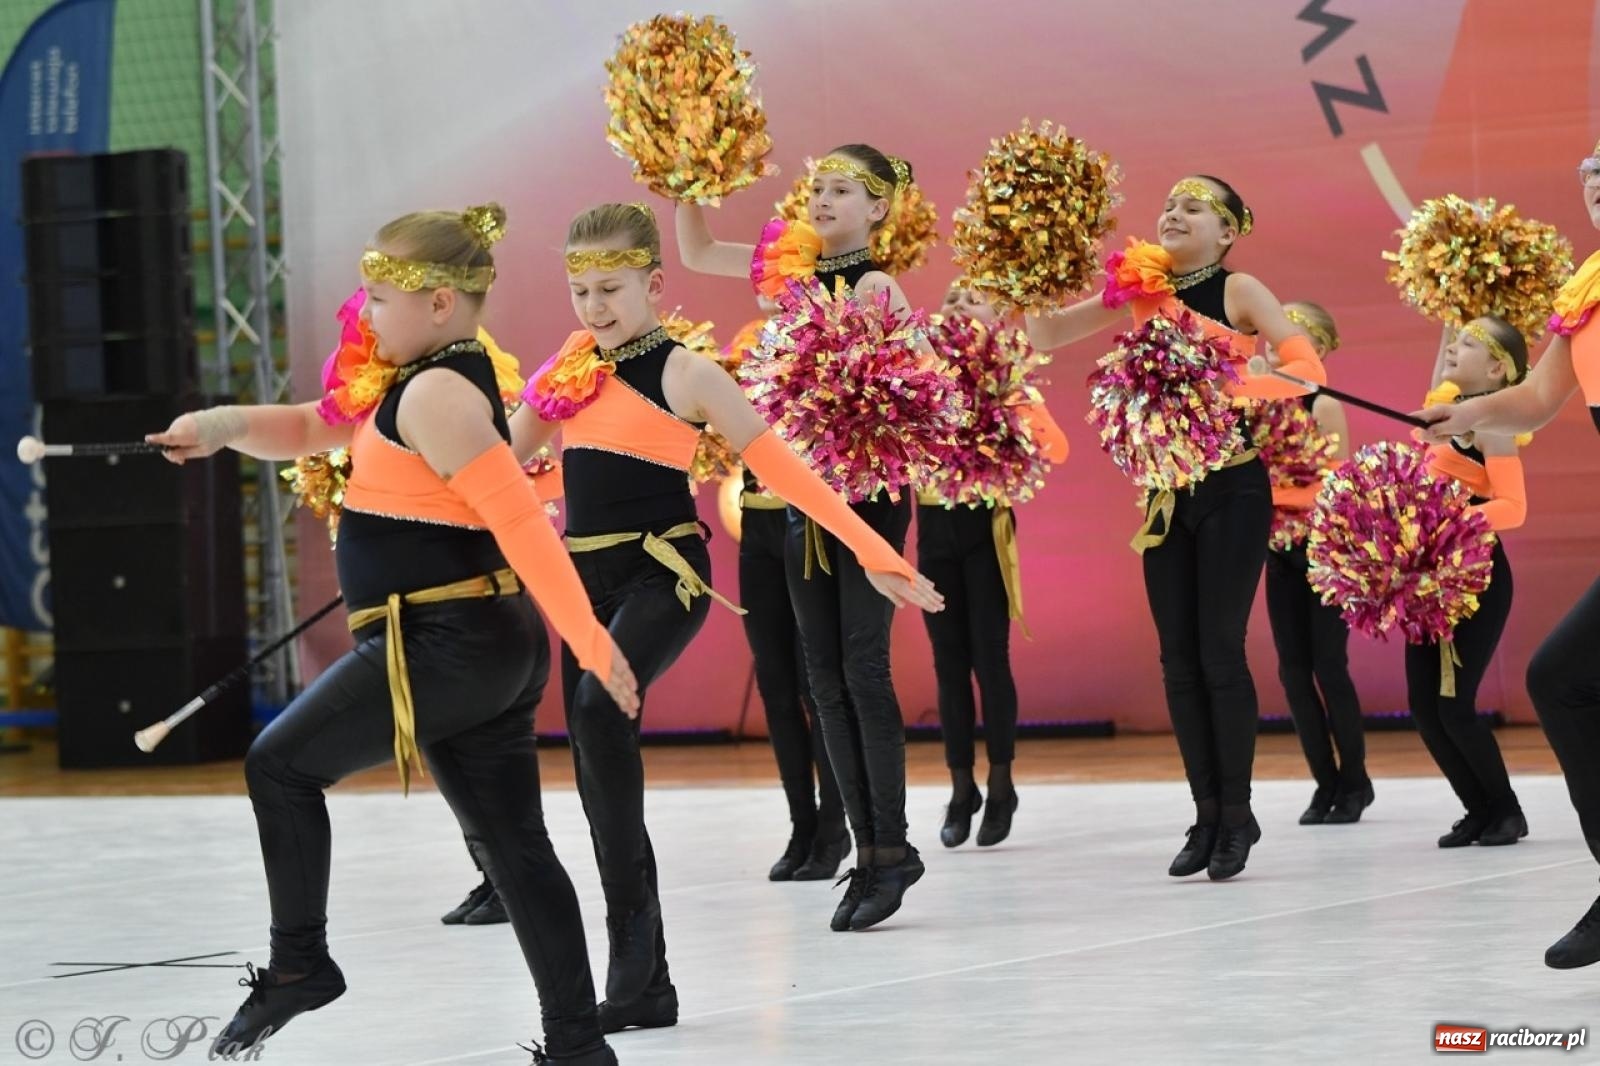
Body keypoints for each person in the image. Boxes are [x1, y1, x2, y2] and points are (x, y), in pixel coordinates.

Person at [147, 204, 635, 1065]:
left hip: (448, 643)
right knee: (516, 848)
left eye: (378, 298)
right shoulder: (426, 379)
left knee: (279, 766)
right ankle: (576, 1044)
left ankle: (301, 965)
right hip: (472, 640)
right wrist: (217, 428)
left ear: (440, 302)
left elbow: (522, 524)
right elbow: (307, 426)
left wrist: (595, 643)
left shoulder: (441, 391)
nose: (364, 315)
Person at [1026, 175, 1326, 880]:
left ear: (1226, 233)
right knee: (1178, 658)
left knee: (1219, 651)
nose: (1173, 214)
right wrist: (1031, 268)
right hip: (1167, 495)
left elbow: (1307, 369)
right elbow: (1046, 332)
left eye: (1193, 208)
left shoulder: (1239, 288)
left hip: (1234, 486)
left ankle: (1238, 811)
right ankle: (1206, 813)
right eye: (1167, 205)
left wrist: (1234, 380)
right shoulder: (1140, 288)